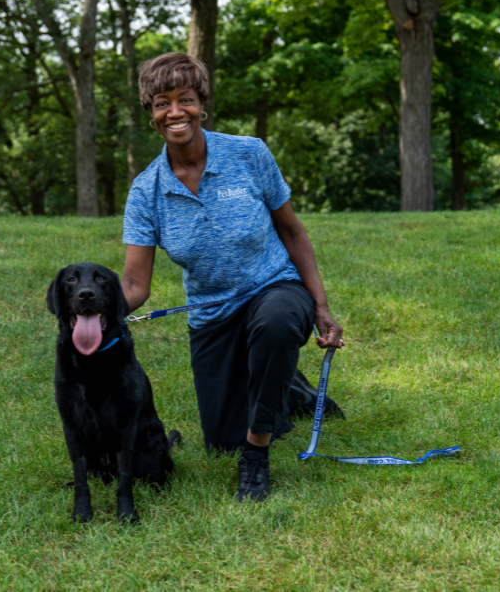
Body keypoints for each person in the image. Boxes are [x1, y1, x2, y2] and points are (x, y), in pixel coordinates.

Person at [121, 52, 345, 502]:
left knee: (277, 324)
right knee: (222, 440)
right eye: (162, 102)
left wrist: (320, 306)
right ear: (151, 112)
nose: (175, 112)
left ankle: (257, 459)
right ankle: (288, 390)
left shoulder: (248, 153)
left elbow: (292, 230)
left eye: (185, 99)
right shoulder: (146, 190)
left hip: (275, 288)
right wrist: (87, 315)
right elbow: (135, 286)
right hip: (212, 312)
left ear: (202, 104)